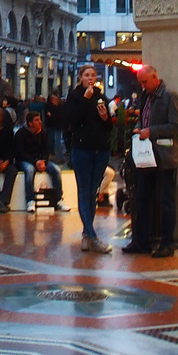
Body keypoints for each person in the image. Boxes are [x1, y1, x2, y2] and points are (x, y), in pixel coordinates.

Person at [125, 66, 178, 258]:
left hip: (165, 157)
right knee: (142, 199)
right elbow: (142, 119)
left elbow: (176, 126)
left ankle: (167, 243)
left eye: (145, 82)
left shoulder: (169, 96)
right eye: (141, 83)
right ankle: (141, 241)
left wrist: (151, 131)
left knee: (166, 201)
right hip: (146, 156)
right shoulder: (146, 96)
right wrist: (138, 128)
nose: (143, 86)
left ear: (154, 77)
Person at [65, 65, 113, 253]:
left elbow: (109, 126)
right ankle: (93, 236)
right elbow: (73, 121)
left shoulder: (101, 96)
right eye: (87, 75)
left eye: (93, 75)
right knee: (84, 191)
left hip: (100, 149)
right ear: (80, 78)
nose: (91, 78)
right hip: (82, 148)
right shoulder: (75, 96)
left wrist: (105, 118)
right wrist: (85, 100)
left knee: (93, 192)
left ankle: (86, 234)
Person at [15, 109, 68, 213]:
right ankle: (30, 200)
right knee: (29, 170)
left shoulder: (42, 133)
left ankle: (59, 199)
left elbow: (45, 150)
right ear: (30, 123)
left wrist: (43, 161)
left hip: (39, 160)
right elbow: (20, 152)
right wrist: (35, 161)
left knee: (56, 170)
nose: (40, 122)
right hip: (25, 160)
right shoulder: (21, 134)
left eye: (40, 120)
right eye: (36, 120)